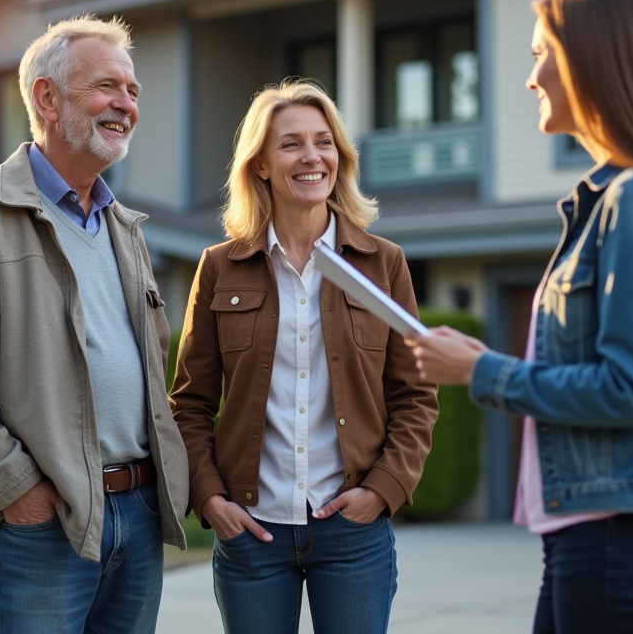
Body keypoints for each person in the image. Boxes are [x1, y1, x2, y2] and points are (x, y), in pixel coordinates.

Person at [409, 0, 633, 634]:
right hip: (595, 531)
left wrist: (481, 372)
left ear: (591, 60)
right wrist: (480, 363)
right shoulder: (613, 202)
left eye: (542, 53)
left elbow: (629, 391)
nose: (531, 78)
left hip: (618, 534)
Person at [0, 15, 189, 634]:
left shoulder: (125, 229)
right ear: (47, 98)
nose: (126, 105)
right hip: (47, 520)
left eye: (133, 91)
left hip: (138, 512)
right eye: (107, 86)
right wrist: (18, 488)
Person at [169, 80, 439, 634]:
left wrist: (382, 489)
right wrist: (210, 497)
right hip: (251, 533)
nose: (312, 156)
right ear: (261, 164)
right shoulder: (219, 266)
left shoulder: (383, 263)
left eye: (324, 142)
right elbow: (190, 404)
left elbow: (416, 396)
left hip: (353, 534)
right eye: (291, 144)